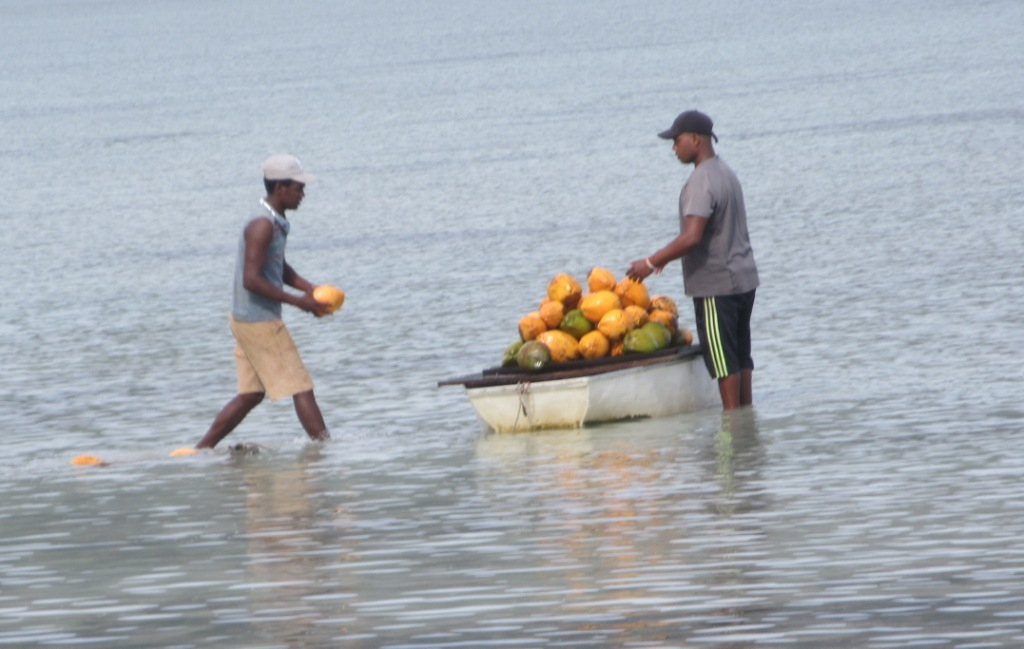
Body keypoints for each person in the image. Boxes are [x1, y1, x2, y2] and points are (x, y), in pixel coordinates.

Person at [196, 154, 332, 449]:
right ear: (281, 188)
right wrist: (300, 302)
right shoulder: (262, 225)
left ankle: (200, 451)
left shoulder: (277, 222)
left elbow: (277, 265)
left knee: (251, 394)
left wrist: (308, 287)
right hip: (258, 320)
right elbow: (252, 279)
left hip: (246, 318)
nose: (303, 194)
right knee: (301, 386)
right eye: (299, 188)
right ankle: (326, 452)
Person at [626, 110, 759, 410]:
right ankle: (746, 422)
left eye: (676, 140)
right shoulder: (725, 172)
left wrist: (650, 263)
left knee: (723, 362)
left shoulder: (701, 181)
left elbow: (692, 236)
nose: (674, 148)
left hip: (716, 286)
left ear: (695, 140)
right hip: (744, 280)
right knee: (740, 354)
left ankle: (732, 430)